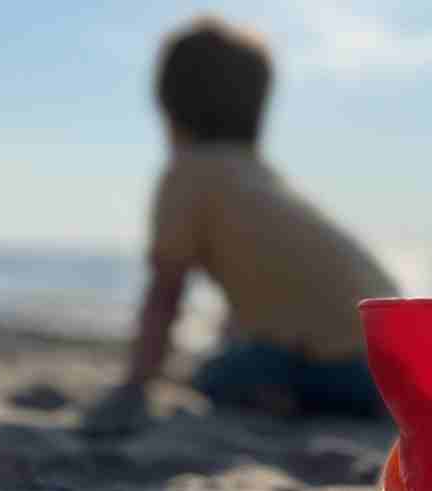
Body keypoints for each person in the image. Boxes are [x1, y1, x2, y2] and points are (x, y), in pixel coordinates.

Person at [84, 15, 399, 434]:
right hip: (395, 363)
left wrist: (136, 384)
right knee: (239, 349)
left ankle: (278, 398)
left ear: (168, 104)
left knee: (214, 376)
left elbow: (165, 292)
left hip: (349, 371)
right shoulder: (257, 178)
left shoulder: (187, 175)